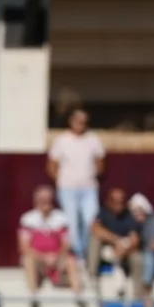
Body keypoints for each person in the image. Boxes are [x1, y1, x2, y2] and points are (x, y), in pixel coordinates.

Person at [46, 108, 106, 267]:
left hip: (89, 187)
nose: (81, 124)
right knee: (71, 223)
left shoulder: (93, 139)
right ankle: (78, 256)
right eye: (78, 121)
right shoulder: (62, 140)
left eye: (84, 121)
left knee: (90, 221)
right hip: (68, 188)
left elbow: (100, 162)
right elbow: (52, 164)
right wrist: (61, 180)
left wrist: (94, 174)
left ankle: (87, 252)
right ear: (71, 122)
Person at [19, 185, 85, 307]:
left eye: (47, 200)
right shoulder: (28, 219)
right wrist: (43, 257)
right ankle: (33, 295)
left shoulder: (61, 218)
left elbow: (66, 244)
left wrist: (56, 256)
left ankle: (78, 295)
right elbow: (24, 246)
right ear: (36, 201)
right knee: (28, 259)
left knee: (71, 261)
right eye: (42, 200)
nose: (45, 203)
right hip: (38, 258)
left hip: (58, 257)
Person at [90, 186, 141, 299]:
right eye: (115, 201)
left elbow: (135, 239)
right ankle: (92, 278)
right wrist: (116, 241)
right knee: (94, 240)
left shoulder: (129, 215)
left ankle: (138, 295)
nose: (118, 205)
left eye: (121, 202)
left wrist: (124, 247)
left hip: (125, 249)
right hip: (107, 248)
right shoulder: (103, 212)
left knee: (137, 258)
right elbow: (95, 229)